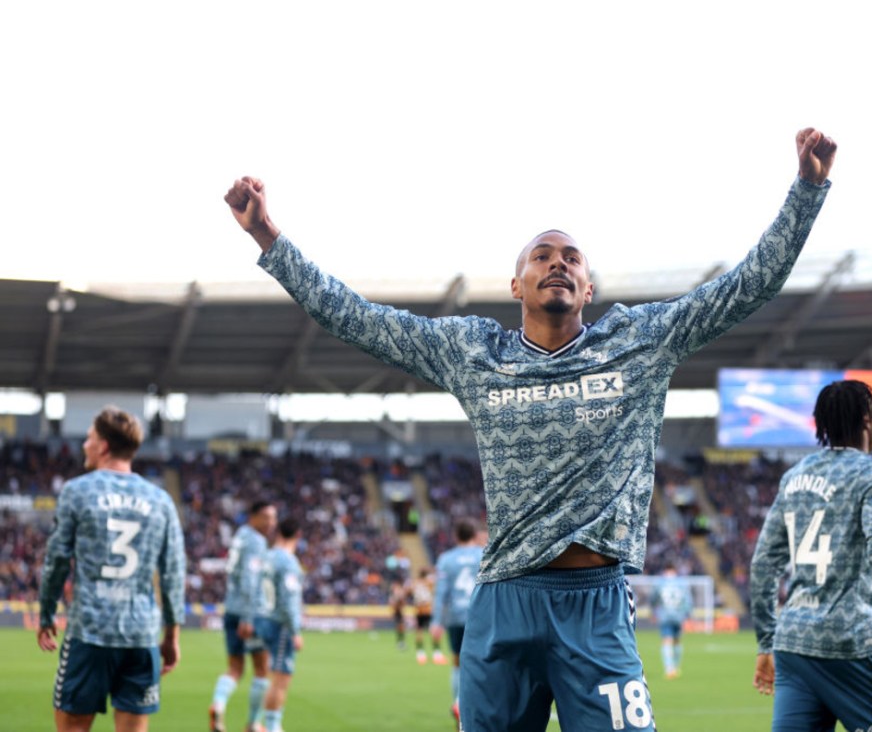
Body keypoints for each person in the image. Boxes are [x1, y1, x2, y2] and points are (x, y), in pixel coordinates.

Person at [225, 126, 836, 731]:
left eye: (571, 258)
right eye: (541, 256)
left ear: (588, 288)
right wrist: (267, 235)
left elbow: (750, 284)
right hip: (504, 602)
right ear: (516, 285)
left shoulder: (641, 342)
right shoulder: (474, 352)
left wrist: (808, 188)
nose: (557, 264)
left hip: (596, 605)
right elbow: (355, 317)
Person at [749, 380, 872, 732]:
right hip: (851, 645)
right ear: (866, 421)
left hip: (794, 645)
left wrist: (767, 642)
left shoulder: (794, 477)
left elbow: (764, 564)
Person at [37, 406, 185, 732]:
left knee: (73, 727)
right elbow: (173, 571)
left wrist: (46, 613)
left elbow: (57, 561)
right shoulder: (160, 500)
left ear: (103, 445)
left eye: (89, 438)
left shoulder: (77, 491)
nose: (84, 445)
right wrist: (172, 633)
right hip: (140, 634)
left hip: (89, 631)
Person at [209, 500, 277, 732]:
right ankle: (253, 723)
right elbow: (250, 580)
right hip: (252, 613)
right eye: (267, 517)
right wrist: (248, 618)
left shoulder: (240, 536)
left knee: (234, 669)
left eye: (274, 518)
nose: (271, 523)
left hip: (231, 609)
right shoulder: (256, 542)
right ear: (253, 517)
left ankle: (218, 704)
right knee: (261, 669)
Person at [430, 519, 483, 724]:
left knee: (457, 662)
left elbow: (440, 592)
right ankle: (474, 704)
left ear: (456, 537)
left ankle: (458, 703)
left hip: (455, 616)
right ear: (474, 535)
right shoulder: (483, 554)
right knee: (480, 662)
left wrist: (436, 621)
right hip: (479, 616)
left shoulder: (446, 559)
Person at [254, 517, 305, 732]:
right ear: (298, 536)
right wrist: (295, 630)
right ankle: (273, 726)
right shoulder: (288, 561)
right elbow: (288, 600)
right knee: (281, 678)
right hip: (280, 624)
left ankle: (256, 722)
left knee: (266, 675)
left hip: (263, 619)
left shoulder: (266, 556)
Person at [650, 563, 694, 679]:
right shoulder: (682, 583)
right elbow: (688, 600)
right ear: (675, 570)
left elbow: (653, 598)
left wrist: (653, 612)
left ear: (665, 570)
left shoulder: (660, 582)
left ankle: (670, 669)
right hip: (679, 616)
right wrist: (688, 614)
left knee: (667, 641)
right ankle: (677, 666)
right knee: (677, 640)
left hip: (665, 615)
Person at [409, 566, 444, 665]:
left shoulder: (415, 583)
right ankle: (437, 654)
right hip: (428, 609)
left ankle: (420, 654)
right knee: (435, 631)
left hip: (419, 610)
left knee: (419, 631)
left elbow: (410, 592)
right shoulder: (429, 582)